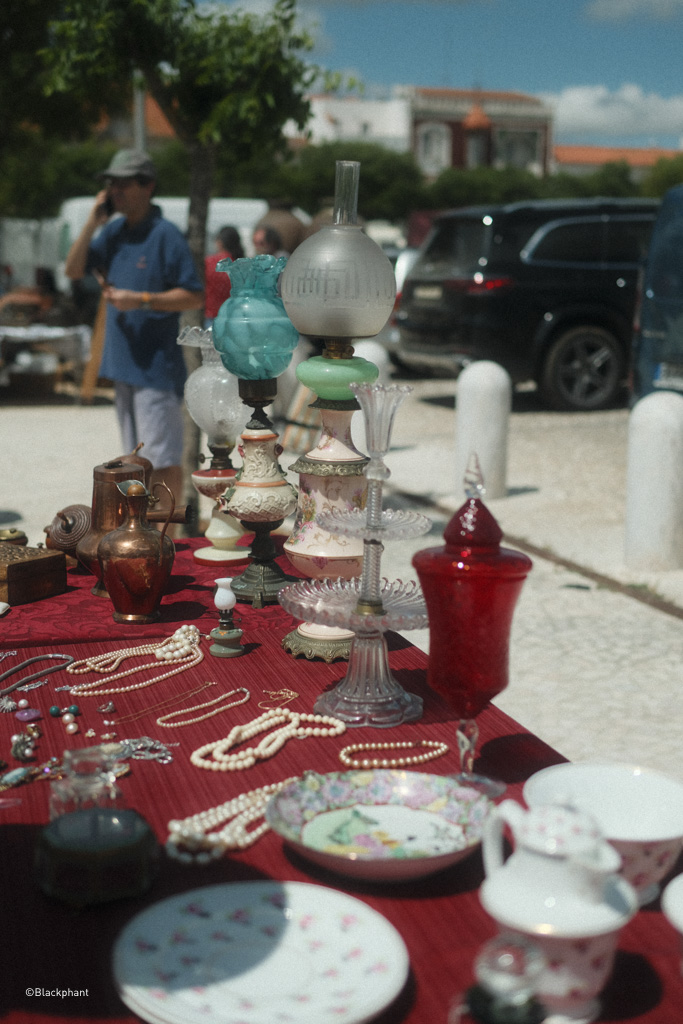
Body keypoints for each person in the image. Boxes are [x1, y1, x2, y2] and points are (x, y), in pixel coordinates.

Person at [65, 149, 204, 507]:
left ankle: (167, 543)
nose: (114, 191)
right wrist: (91, 224)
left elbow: (193, 296)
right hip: (123, 365)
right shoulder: (113, 232)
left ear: (148, 186)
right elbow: (73, 270)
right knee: (135, 461)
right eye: (111, 184)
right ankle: (148, 546)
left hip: (156, 369)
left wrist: (141, 299)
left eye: (123, 183)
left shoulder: (166, 235)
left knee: (161, 462)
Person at [204, 225, 245, 326]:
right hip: (236, 316)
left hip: (212, 315)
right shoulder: (242, 265)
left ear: (220, 242)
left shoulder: (209, 262)